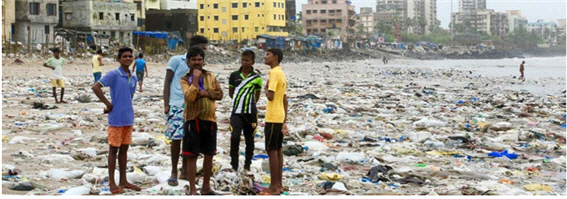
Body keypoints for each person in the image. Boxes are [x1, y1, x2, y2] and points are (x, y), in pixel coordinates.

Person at [91, 47, 140, 195]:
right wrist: (108, 104)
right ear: (119, 59)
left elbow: (129, 96)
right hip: (116, 119)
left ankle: (123, 180)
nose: (127, 58)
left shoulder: (133, 76)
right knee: (113, 150)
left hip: (128, 117)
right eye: (124, 56)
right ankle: (112, 181)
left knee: (124, 150)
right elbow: (96, 87)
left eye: (130, 56)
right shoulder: (114, 74)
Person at [163, 35, 208, 186]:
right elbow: (167, 81)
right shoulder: (176, 60)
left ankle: (185, 170)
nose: (202, 54)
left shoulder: (201, 68)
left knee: (190, 140)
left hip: (193, 107)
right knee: (176, 140)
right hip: (176, 104)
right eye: (202, 48)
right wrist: (166, 104)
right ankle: (174, 171)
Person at [180, 46, 223, 195]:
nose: (197, 62)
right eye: (193, 60)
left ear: (204, 61)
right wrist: (196, 78)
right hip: (193, 120)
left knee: (209, 154)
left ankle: (206, 187)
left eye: (199, 59)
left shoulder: (210, 76)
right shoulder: (185, 79)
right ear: (188, 62)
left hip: (210, 120)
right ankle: (192, 189)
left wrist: (204, 93)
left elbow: (219, 94)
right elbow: (190, 96)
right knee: (192, 155)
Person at [258, 49, 289, 195]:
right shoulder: (281, 73)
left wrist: (265, 89)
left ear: (275, 57)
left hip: (272, 117)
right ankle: (279, 184)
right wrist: (285, 120)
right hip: (280, 115)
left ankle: (273, 186)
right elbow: (284, 98)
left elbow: (270, 96)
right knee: (278, 150)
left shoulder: (274, 73)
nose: (265, 57)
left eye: (268, 55)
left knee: (271, 150)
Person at [228, 50, 262, 172]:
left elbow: (257, 95)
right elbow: (231, 93)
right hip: (236, 112)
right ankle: (234, 165)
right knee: (235, 137)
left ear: (252, 62)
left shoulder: (257, 78)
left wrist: (249, 103)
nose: (244, 62)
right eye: (242, 60)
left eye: (247, 60)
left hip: (251, 113)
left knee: (250, 139)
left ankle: (247, 165)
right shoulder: (234, 75)